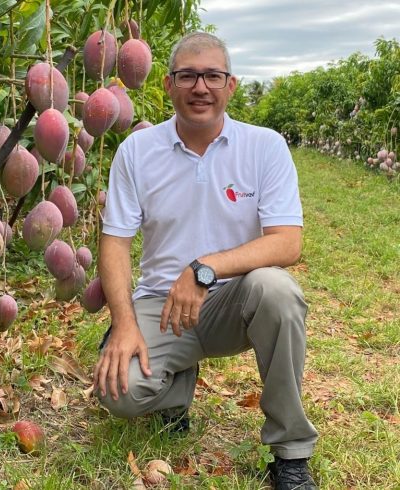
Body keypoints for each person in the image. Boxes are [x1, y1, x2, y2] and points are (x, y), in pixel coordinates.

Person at [92, 32, 318, 490]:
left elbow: (287, 243)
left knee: (277, 291)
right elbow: (114, 243)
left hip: (234, 303)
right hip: (162, 304)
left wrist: (204, 268)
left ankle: (290, 453)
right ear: (168, 86)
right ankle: (175, 390)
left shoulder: (265, 147)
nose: (201, 87)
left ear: (230, 86)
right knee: (119, 391)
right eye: (188, 76)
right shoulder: (137, 152)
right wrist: (124, 323)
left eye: (212, 76)